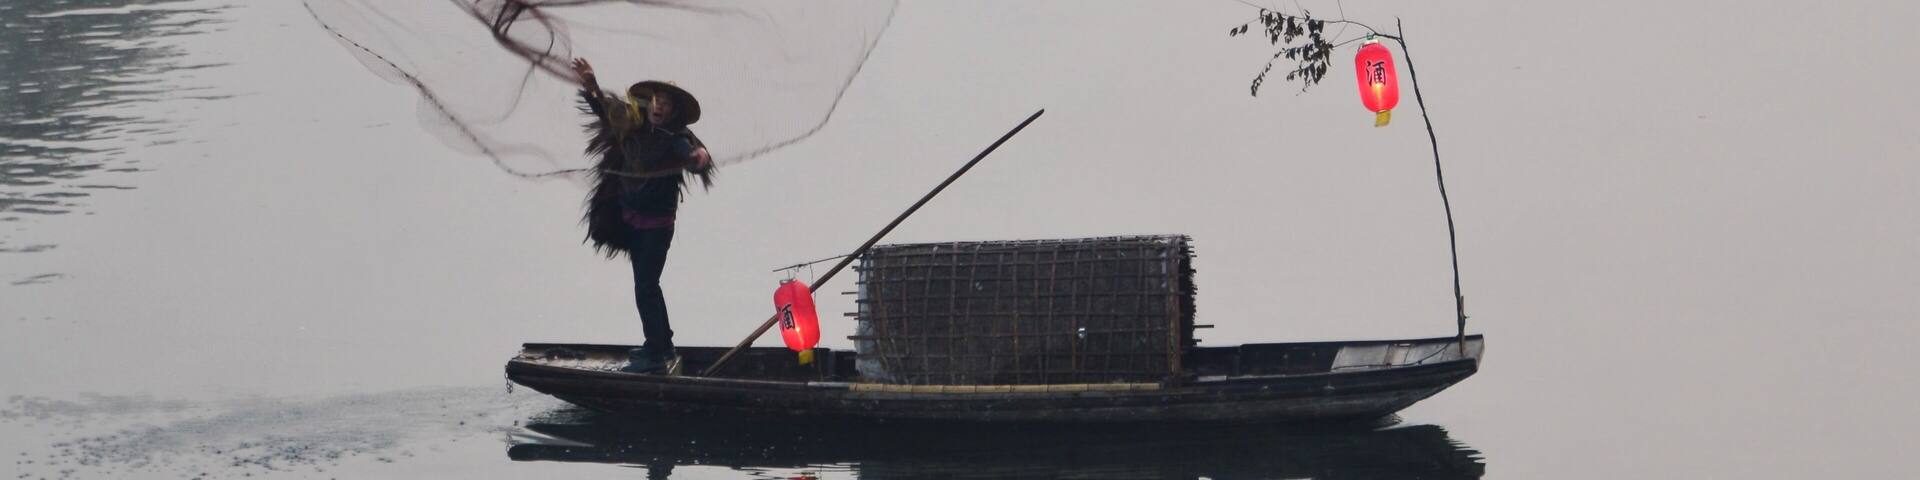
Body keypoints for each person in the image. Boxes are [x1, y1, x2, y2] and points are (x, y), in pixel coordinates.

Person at [570, 58, 714, 374]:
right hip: (631, 220)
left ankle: (659, 353)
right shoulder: (635, 125)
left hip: (656, 229)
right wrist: (591, 85)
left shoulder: (678, 138)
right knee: (644, 286)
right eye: (657, 101)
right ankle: (659, 345)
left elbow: (695, 158)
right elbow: (606, 112)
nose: (659, 107)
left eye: (666, 104)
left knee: (647, 287)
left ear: (674, 111)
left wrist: (699, 158)